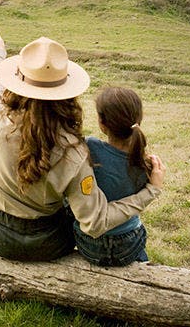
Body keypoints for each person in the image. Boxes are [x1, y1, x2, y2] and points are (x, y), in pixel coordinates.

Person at [0, 29, 166, 261]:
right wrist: (151, 192)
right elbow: (95, 222)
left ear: (17, 83)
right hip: (47, 243)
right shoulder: (75, 151)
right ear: (66, 93)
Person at [74, 87, 155, 266]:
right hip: (129, 243)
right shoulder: (146, 164)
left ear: (102, 123)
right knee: (136, 229)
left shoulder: (90, 148)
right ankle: (141, 261)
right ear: (138, 120)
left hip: (88, 244)